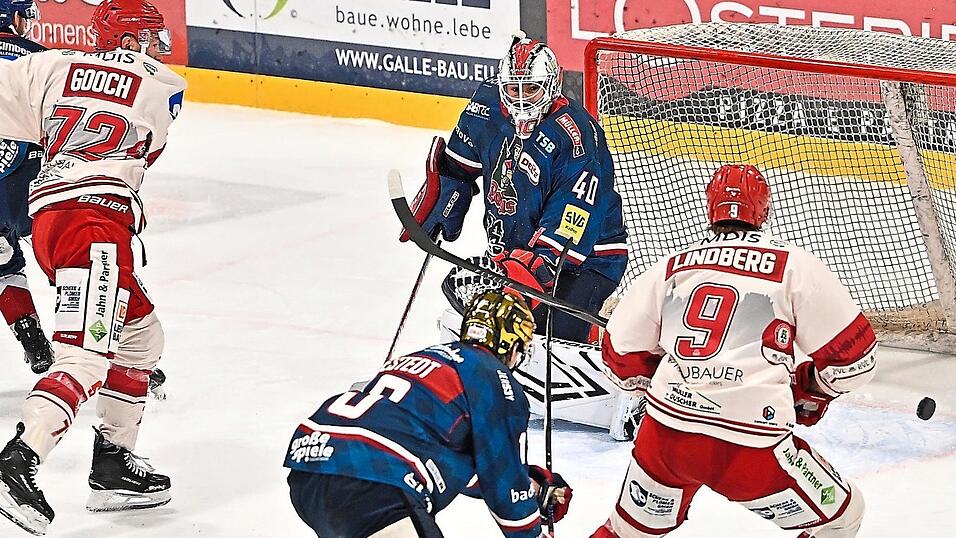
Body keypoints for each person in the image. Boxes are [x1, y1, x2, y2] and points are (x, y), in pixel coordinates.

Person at [592, 164, 877, 537]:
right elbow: (857, 361)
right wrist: (809, 389)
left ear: (710, 208)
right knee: (844, 516)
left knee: (625, 531)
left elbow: (618, 355)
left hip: (666, 440)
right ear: (764, 210)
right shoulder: (794, 266)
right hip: (749, 449)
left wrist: (657, 378)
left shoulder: (673, 266)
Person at [0, 0, 186, 534]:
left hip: (52, 221)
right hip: (96, 227)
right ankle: (20, 460)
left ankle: (112, 466)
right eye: (149, 36)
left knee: (142, 338)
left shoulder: (49, 66)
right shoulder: (164, 86)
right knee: (85, 356)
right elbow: (144, 144)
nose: (156, 46)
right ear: (130, 38)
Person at [284, 290, 572, 537]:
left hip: (310, 468)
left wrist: (530, 484)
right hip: (375, 482)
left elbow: (464, 466)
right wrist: (530, 524)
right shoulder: (491, 375)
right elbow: (502, 484)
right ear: (511, 343)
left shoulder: (425, 357)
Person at [401, 31, 627, 344]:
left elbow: (573, 219)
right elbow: (459, 164)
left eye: (531, 88)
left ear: (551, 85)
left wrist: (525, 270)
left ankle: (608, 329)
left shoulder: (577, 137)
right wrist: (446, 195)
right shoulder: (487, 105)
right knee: (488, 327)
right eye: (512, 88)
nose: (521, 98)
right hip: (511, 251)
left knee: (553, 336)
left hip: (587, 260)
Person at [0, 0, 53, 374]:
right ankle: (118, 353)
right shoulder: (42, 58)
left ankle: (31, 337)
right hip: (29, 179)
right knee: (71, 260)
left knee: (2, 260)